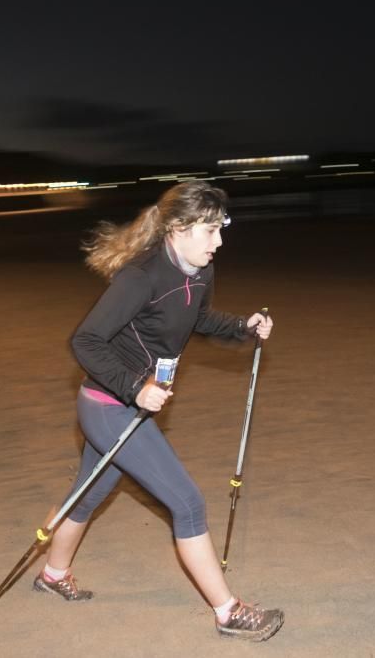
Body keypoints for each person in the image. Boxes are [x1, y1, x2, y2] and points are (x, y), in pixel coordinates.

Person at [34, 180, 284, 642]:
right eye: (210, 231)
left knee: (88, 495)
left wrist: (243, 327)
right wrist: (134, 388)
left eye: (221, 228)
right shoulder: (142, 276)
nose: (219, 242)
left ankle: (52, 574)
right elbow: (85, 340)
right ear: (178, 228)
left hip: (126, 406)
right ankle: (228, 612)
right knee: (188, 503)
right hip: (110, 407)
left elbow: (198, 318)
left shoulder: (200, 269)